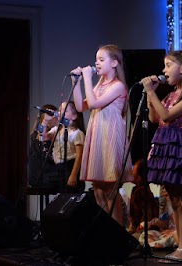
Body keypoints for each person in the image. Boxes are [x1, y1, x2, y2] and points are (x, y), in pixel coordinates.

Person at [141, 50, 182, 262]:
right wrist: (151, 95)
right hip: (164, 142)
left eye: (168, 65)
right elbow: (156, 117)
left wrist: (152, 93)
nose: (164, 70)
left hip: (178, 144)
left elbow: (167, 115)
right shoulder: (170, 94)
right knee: (174, 199)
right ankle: (180, 245)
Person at [71, 44, 133, 226]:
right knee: (98, 189)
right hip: (97, 135)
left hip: (110, 137)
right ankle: (107, 231)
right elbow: (81, 106)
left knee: (110, 190)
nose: (96, 63)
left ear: (114, 63)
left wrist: (88, 78)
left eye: (101, 59)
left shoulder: (119, 86)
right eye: (96, 59)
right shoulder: (100, 84)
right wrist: (77, 83)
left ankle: (118, 234)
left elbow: (94, 104)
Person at [41, 101, 86, 193]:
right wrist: (45, 122)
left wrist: (73, 175)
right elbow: (43, 137)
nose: (60, 112)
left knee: (71, 195)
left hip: (71, 167)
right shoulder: (56, 130)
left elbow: (79, 156)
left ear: (74, 116)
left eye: (64, 111)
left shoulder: (77, 133)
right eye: (60, 110)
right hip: (59, 168)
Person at [28, 104, 59, 189]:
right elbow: (41, 140)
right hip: (41, 176)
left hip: (48, 173)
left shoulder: (55, 132)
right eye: (55, 117)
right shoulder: (36, 136)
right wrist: (45, 121)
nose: (57, 120)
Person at [127, 159, 159, 237]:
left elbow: (147, 214)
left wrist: (139, 228)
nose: (131, 173)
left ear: (139, 177)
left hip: (145, 229)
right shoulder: (136, 189)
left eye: (133, 171)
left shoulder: (141, 191)